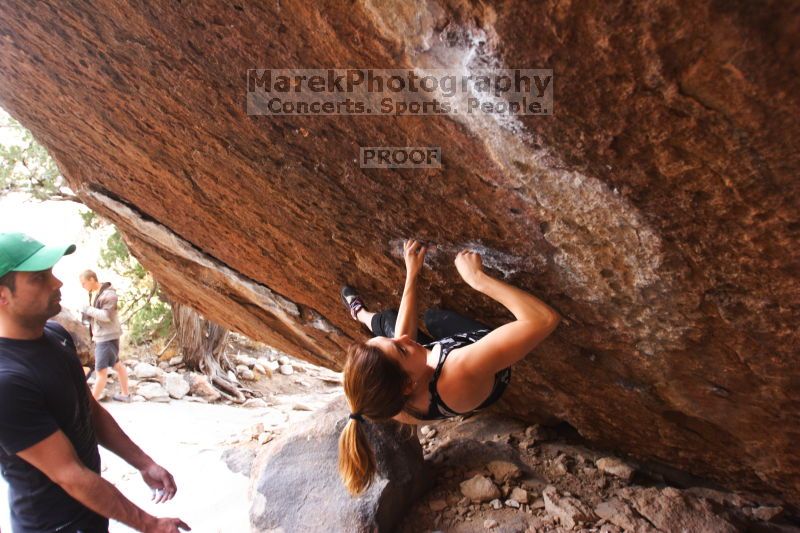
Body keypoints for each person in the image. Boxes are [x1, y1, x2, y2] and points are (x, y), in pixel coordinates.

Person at [338, 239, 561, 494]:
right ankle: (368, 320)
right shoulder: (461, 366)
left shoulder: (387, 403)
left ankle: (361, 315)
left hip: (433, 381)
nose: (402, 340)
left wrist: (412, 273)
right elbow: (543, 320)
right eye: (400, 348)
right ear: (408, 384)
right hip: (484, 372)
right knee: (435, 319)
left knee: (390, 322)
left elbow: (401, 338)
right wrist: (477, 278)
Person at [0, 232, 189, 532]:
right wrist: (149, 524)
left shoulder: (55, 336)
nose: (56, 283)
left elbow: (90, 411)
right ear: (2, 295)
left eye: (51, 273)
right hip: (52, 526)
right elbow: (69, 474)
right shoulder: (8, 383)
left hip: (90, 515)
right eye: (38, 278)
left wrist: (143, 462)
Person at [79, 269, 130, 402]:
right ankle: (125, 395)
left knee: (101, 372)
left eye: (83, 283)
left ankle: (91, 404)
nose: (82, 286)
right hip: (107, 336)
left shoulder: (109, 295)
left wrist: (87, 309)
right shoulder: (96, 293)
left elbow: (106, 316)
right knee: (117, 365)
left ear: (92, 279)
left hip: (105, 338)